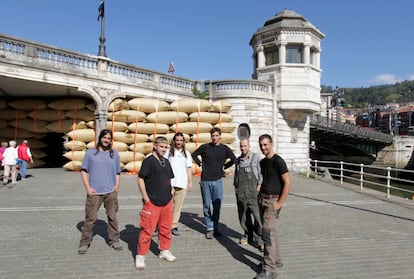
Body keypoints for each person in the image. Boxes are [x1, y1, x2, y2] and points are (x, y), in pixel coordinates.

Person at [78, 129, 123, 255]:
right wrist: (88, 188)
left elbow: (117, 172)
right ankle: (84, 242)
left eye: (109, 138)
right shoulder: (90, 153)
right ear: (100, 138)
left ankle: (114, 240)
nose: (106, 140)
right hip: (94, 192)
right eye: (104, 137)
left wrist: (116, 187)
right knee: (90, 218)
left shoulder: (114, 154)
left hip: (110, 192)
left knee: (112, 217)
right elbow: (84, 171)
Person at [136, 136, 176, 270]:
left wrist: (171, 192)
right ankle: (141, 256)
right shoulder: (149, 161)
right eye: (161, 146)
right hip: (152, 202)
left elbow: (169, 179)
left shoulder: (166, 161)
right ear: (155, 146)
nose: (163, 149)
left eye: (166, 147)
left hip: (166, 202)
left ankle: (164, 250)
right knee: (147, 230)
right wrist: (146, 198)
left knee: (166, 228)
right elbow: (140, 179)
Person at [254, 134, 291, 279]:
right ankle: (275, 260)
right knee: (271, 232)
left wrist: (279, 203)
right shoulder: (263, 162)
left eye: (265, 145)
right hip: (263, 199)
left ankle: (270, 269)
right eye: (261, 145)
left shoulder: (278, 161)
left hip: (273, 201)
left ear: (271, 144)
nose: (263, 147)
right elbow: (266, 180)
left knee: (267, 233)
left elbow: (287, 182)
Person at [191, 127, 236, 239]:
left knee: (217, 205)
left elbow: (234, 159)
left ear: (220, 136)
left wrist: (225, 167)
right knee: (206, 205)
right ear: (211, 137)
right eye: (213, 136)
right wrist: (200, 164)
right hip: (205, 180)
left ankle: (215, 227)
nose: (215, 138)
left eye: (216, 135)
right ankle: (209, 228)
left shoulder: (224, 149)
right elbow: (194, 154)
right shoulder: (205, 147)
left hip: (217, 181)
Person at [233, 138, 263, 250]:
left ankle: (259, 238)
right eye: (241, 146)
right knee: (243, 217)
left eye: (245, 146)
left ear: (249, 146)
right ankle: (247, 234)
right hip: (241, 193)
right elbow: (236, 176)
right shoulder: (238, 160)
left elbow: (261, 174)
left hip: (254, 193)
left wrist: (259, 187)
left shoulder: (256, 158)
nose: (243, 148)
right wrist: (236, 188)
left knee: (258, 217)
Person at [165, 132, 193, 236]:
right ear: (174, 141)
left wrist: (190, 183)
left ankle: (174, 225)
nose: (179, 142)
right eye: (177, 140)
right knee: (168, 206)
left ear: (184, 142)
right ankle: (164, 225)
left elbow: (189, 169)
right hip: (170, 183)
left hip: (182, 183)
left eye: (181, 140)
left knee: (178, 206)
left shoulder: (187, 153)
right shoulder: (168, 152)